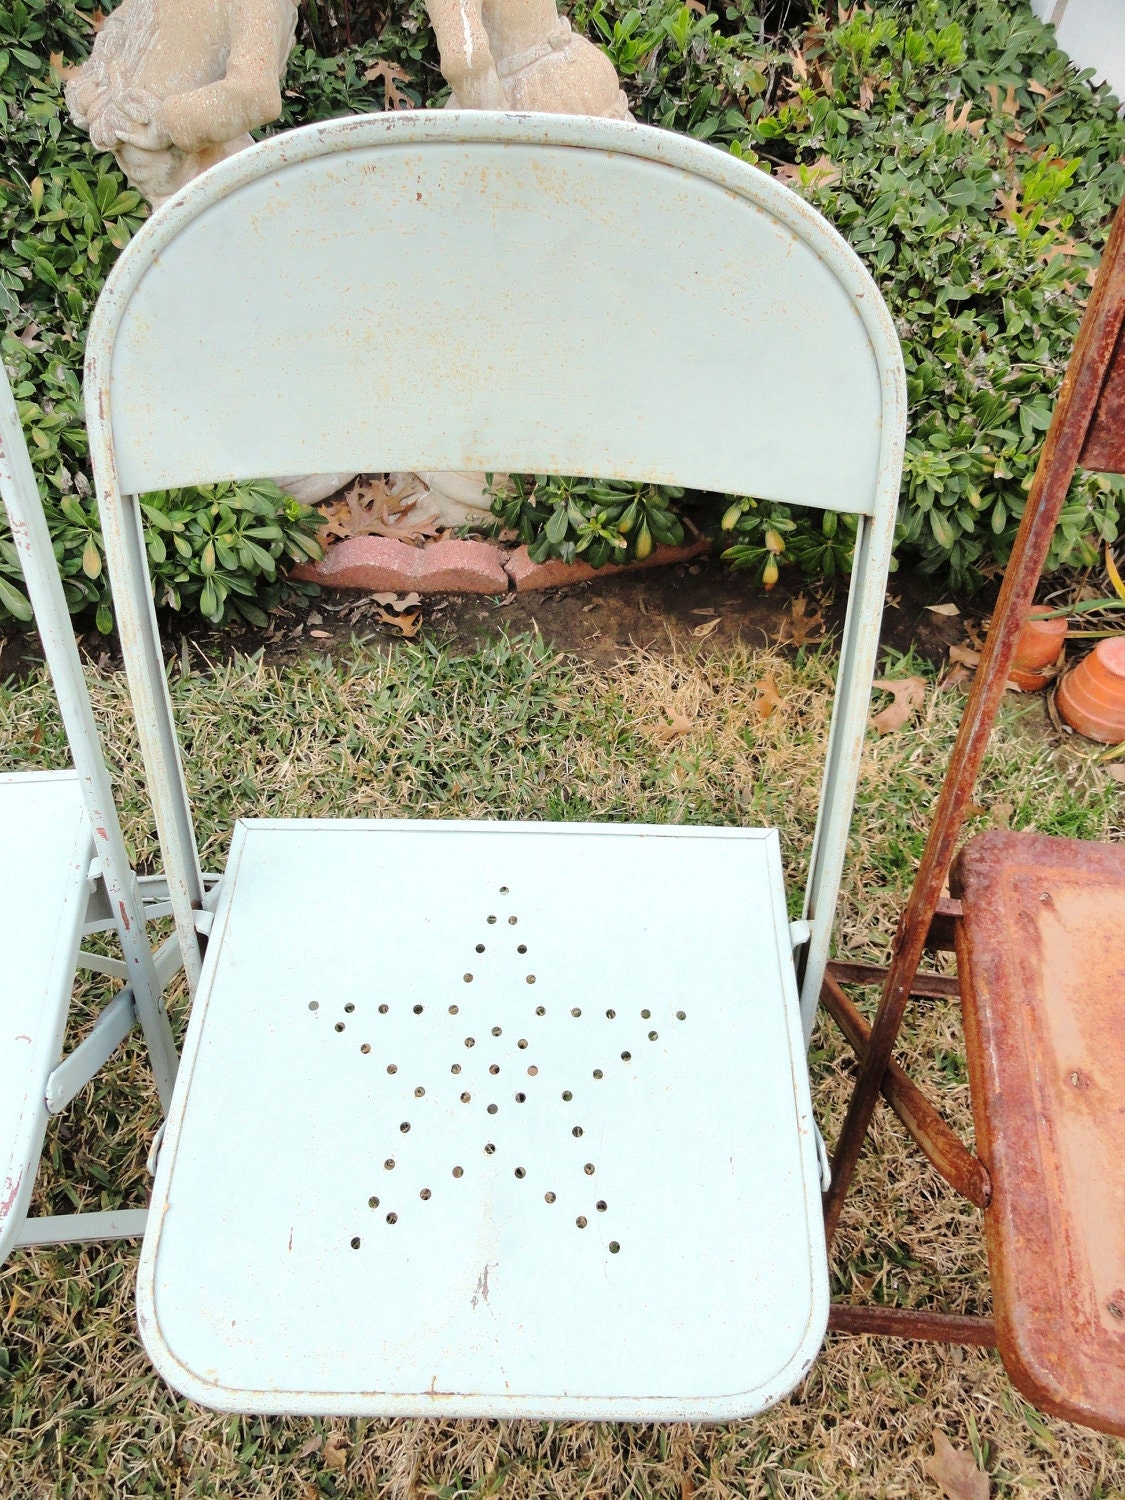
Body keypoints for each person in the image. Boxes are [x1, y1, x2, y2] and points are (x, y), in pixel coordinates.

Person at [66, 0, 298, 207]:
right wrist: (96, 95)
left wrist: (165, 124)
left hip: (219, 197)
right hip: (167, 204)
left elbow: (255, 94)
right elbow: (119, 31)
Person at [427, 0, 630, 120]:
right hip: (540, 90)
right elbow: (466, 61)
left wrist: (501, 140)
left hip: (541, 96)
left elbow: (466, 59)